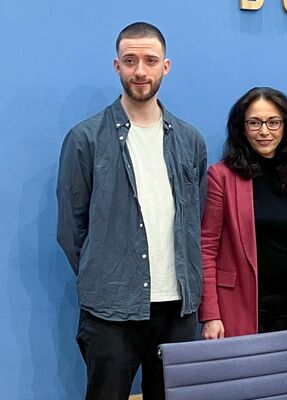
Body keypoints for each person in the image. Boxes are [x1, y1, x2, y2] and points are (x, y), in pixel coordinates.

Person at [56, 22, 207, 400]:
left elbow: (195, 219)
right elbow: (71, 230)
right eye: (130, 60)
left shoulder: (189, 140)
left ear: (165, 67)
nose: (140, 70)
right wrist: (106, 273)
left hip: (178, 310)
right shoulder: (85, 138)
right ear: (117, 66)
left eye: (150, 61)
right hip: (110, 311)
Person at [199, 87, 287, 338]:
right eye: (255, 123)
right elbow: (207, 249)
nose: (264, 131)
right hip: (238, 305)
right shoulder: (221, 176)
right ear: (242, 128)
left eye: (273, 122)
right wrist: (211, 314)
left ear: (286, 127)